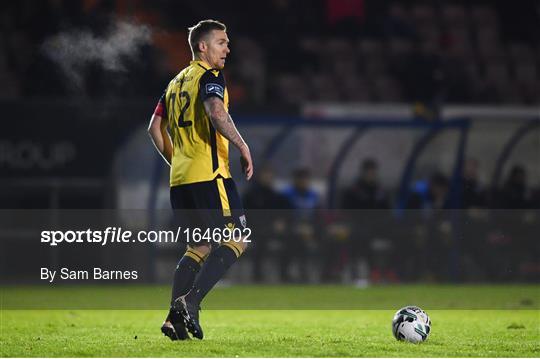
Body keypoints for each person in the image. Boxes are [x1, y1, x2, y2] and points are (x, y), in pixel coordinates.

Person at [148, 20, 253, 341]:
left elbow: (154, 128)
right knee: (237, 239)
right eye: (221, 42)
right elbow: (215, 110)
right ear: (203, 47)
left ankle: (172, 320)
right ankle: (190, 303)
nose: (228, 48)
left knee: (199, 246)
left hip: (181, 179)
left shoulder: (175, 82)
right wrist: (242, 145)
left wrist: (178, 160)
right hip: (211, 176)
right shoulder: (210, 77)